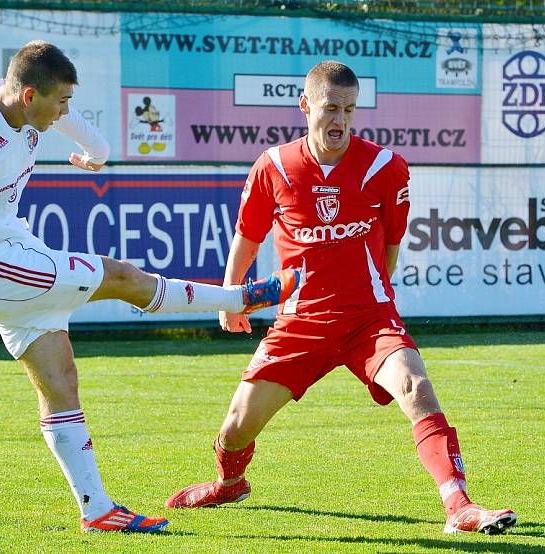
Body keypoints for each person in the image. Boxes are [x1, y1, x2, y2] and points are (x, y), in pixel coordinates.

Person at [0, 41, 299, 534]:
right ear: (29, 94)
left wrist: (95, 151)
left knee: (60, 382)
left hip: (8, 254)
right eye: (59, 102)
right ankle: (237, 298)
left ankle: (96, 509)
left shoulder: (16, 103)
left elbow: (80, 130)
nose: (65, 112)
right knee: (121, 277)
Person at [165, 60, 517, 535]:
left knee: (416, 387)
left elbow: (391, 246)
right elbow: (247, 236)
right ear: (306, 105)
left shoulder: (384, 167)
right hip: (299, 323)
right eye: (331, 107)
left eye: (350, 109)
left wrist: (374, 301)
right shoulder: (274, 166)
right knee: (235, 428)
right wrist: (232, 299)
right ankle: (230, 482)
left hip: (367, 320)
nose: (341, 120)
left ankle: (458, 505)